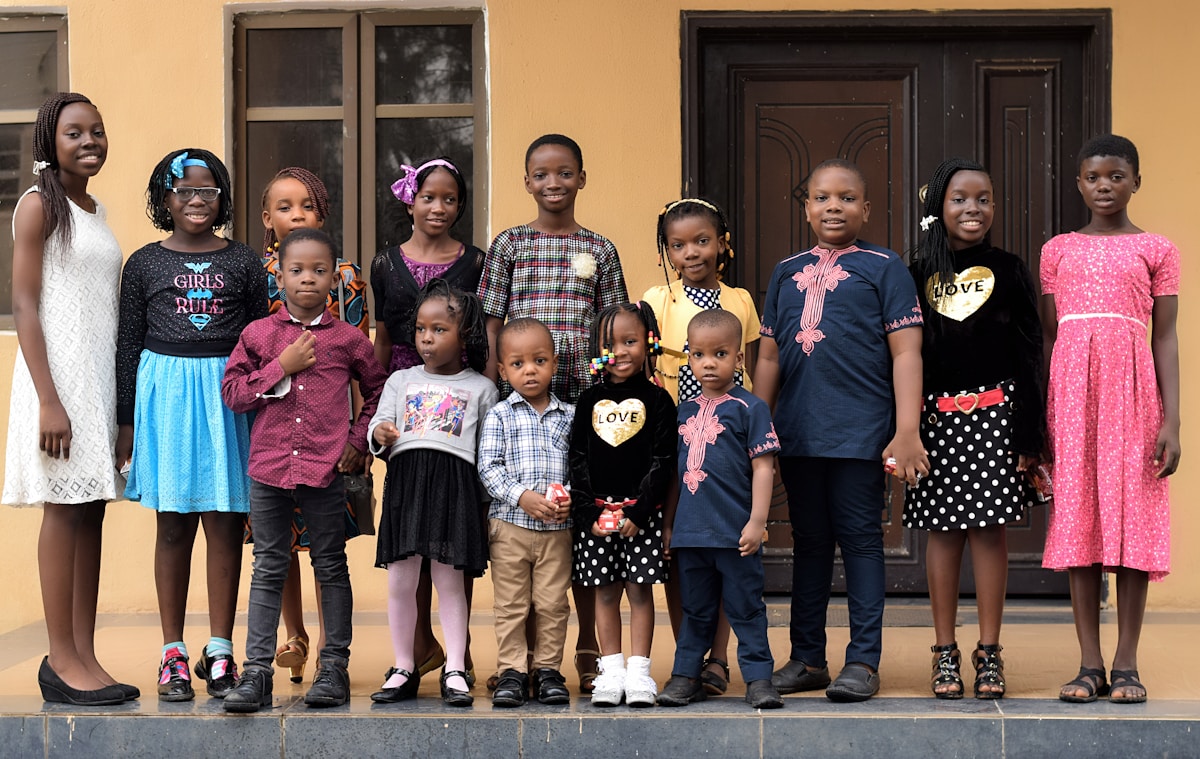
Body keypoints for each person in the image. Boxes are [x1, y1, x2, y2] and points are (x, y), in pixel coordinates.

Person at [755, 158, 928, 702]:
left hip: (860, 435)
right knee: (808, 543)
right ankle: (806, 658)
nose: (835, 207)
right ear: (806, 207)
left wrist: (906, 430)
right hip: (799, 434)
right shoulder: (785, 271)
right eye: (823, 197)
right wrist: (756, 428)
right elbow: (768, 357)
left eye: (848, 198)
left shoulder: (885, 267)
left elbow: (907, 352)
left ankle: (863, 662)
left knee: (859, 543)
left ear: (866, 208)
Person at [116, 148, 267, 701]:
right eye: (184, 191)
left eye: (208, 191)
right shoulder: (143, 263)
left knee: (226, 521)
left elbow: (260, 341)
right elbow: (128, 343)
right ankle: (173, 653)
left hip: (228, 398)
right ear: (164, 199)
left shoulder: (246, 262)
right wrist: (126, 422)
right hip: (167, 400)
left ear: (223, 198)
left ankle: (221, 649)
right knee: (174, 523)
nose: (197, 200)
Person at [478, 133, 627, 692]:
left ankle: (588, 649)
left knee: (578, 528)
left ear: (582, 179)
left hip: (584, 404)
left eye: (565, 173)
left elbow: (614, 327)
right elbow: (493, 320)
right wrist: (498, 379)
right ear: (526, 182)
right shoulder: (511, 244)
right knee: (523, 554)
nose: (553, 184)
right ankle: (522, 665)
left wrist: (609, 387)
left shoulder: (601, 248)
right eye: (541, 174)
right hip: (522, 400)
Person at [219, 228, 388, 712]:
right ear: (280, 276)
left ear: (334, 279)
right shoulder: (259, 335)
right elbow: (233, 394)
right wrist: (281, 366)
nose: (307, 279)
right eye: (296, 271)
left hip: (326, 470)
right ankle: (256, 674)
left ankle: (333, 666)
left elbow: (377, 391)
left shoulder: (349, 340)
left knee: (331, 565)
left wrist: (359, 443)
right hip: (268, 469)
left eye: (319, 271)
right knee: (269, 566)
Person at [3, 92, 135, 705]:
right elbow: (25, 306)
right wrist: (50, 400)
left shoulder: (94, 208)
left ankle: (84, 654)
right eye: (75, 132)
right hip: (56, 383)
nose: (90, 142)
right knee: (63, 508)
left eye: (98, 131)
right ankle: (60, 661)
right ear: (48, 142)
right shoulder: (38, 206)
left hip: (95, 382)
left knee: (91, 511)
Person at [1042, 135, 1180, 705]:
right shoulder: (1057, 250)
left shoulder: (1158, 248)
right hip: (1073, 398)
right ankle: (1090, 663)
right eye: (1094, 176)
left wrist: (1173, 420)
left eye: (1117, 176)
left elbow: (1166, 337)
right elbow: (1053, 337)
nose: (1105, 185)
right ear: (1079, 183)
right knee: (1081, 521)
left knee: (1132, 525)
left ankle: (1127, 662)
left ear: (1136, 181)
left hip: (1136, 397)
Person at [906, 159, 1045, 699]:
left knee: (990, 532)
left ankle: (989, 651)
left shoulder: (1009, 270)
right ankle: (945, 651)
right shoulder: (916, 274)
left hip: (997, 419)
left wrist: (1030, 433)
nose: (973, 209)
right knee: (942, 534)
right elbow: (901, 354)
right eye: (960, 199)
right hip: (934, 421)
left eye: (983, 198)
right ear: (938, 207)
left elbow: (1030, 353)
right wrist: (903, 429)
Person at [372, 156, 487, 682]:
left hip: (456, 406)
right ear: (409, 199)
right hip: (405, 408)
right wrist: (371, 417)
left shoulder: (477, 262)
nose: (438, 207)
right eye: (428, 197)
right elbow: (381, 339)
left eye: (450, 200)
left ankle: (454, 657)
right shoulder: (383, 264)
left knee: (449, 547)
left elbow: (482, 336)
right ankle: (415, 650)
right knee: (408, 541)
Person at [642, 197, 761, 695]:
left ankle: (718, 659)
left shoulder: (740, 300)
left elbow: (751, 363)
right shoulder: (656, 299)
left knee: (726, 545)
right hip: (674, 434)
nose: (691, 252)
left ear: (722, 243)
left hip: (728, 444)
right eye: (678, 245)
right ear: (667, 251)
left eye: (702, 240)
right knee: (682, 549)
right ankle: (687, 660)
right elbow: (646, 365)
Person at [257, 166, 370, 684]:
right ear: (266, 218)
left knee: (327, 550)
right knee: (274, 550)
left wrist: (355, 438)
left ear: (321, 212)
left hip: (328, 440)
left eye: (306, 205)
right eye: (285, 206)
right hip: (273, 435)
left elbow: (355, 356)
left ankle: (332, 656)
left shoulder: (344, 277)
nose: (296, 213)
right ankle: (292, 635)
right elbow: (248, 357)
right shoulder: (254, 275)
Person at [368, 279, 497, 707]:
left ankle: (455, 667)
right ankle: (404, 665)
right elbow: (379, 423)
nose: (427, 337)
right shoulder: (400, 379)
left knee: (449, 581)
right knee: (402, 580)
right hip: (407, 484)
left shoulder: (482, 388)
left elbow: (486, 451)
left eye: (439, 329)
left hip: (454, 489)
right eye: (422, 328)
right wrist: (380, 432)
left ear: (465, 335)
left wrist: (482, 506)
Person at [656, 310, 783, 710]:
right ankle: (685, 675)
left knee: (746, 609)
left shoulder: (750, 409)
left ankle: (759, 679)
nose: (708, 363)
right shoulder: (684, 411)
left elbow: (764, 467)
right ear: (689, 358)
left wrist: (757, 521)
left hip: (735, 534)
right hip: (692, 534)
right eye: (698, 354)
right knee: (695, 609)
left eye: (720, 353)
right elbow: (676, 475)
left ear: (739, 360)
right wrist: (670, 525)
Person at [569, 302, 675, 707]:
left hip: (640, 518)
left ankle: (639, 673)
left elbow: (663, 462)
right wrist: (588, 514)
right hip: (597, 519)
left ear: (649, 342)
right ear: (596, 350)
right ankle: (610, 672)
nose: (621, 351)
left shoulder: (658, 401)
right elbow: (576, 459)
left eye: (630, 341)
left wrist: (638, 512)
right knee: (605, 592)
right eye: (610, 344)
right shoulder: (588, 400)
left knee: (640, 591)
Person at [477, 317, 575, 707]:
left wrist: (567, 495)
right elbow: (488, 467)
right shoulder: (500, 415)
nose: (529, 370)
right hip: (509, 526)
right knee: (511, 605)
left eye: (539, 361)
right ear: (503, 370)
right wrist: (522, 497)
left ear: (554, 364)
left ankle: (548, 670)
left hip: (557, 529)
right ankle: (512, 671)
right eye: (517, 364)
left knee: (553, 603)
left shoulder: (569, 415)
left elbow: (580, 467)